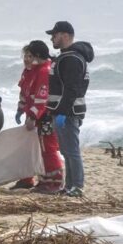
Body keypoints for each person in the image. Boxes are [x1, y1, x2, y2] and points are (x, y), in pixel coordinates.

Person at [45, 21, 95, 197]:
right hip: (66, 111)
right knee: (66, 150)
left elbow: (71, 89)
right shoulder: (66, 57)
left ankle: (77, 186)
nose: (52, 38)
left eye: (54, 35)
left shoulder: (71, 59)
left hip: (68, 112)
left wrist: (62, 113)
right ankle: (69, 186)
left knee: (71, 151)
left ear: (65, 36)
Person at [11, 40, 64, 193]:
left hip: (45, 116)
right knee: (31, 147)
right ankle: (27, 178)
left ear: (38, 56)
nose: (26, 59)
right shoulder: (30, 70)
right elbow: (25, 92)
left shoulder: (44, 71)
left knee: (48, 147)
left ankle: (54, 181)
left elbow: (42, 97)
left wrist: (33, 116)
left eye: (30, 55)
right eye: (25, 55)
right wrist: (21, 108)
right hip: (33, 114)